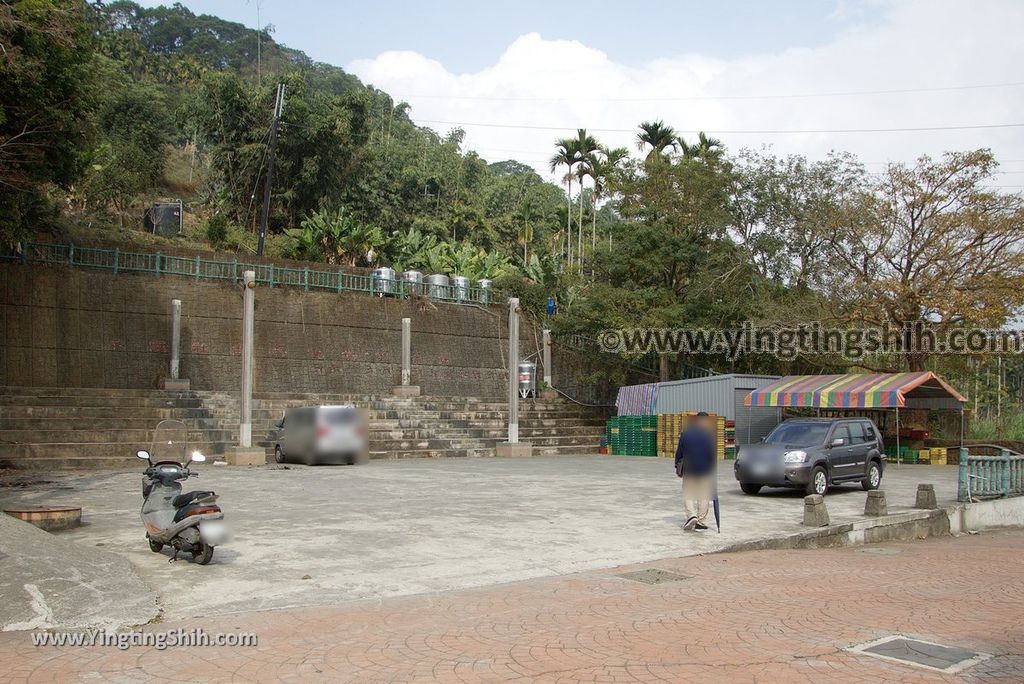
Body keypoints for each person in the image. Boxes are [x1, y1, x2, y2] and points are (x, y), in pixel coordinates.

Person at [674, 412, 717, 531]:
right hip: (704, 469)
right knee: (704, 496)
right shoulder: (708, 436)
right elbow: (711, 454)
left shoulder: (686, 434)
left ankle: (691, 515)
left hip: (689, 469)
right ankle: (701, 520)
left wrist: (677, 467)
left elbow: (679, 453)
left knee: (688, 494)